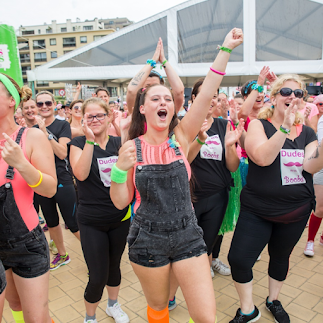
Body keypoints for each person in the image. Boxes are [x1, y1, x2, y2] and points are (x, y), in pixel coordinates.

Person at [110, 28, 243, 323]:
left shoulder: (181, 136)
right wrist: (119, 170)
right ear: (142, 109)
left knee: (206, 317)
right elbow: (121, 202)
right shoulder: (131, 148)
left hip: (187, 234)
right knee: (158, 310)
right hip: (147, 239)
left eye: (167, 100)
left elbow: (207, 90)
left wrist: (226, 48)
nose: (163, 103)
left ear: (173, 108)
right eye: (155, 99)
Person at [228, 74, 323, 323]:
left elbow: (310, 167)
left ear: (302, 100)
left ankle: (273, 299)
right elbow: (262, 158)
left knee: (280, 258)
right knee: (238, 259)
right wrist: (283, 128)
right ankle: (248, 310)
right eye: (286, 92)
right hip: (257, 210)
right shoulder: (260, 125)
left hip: (295, 211)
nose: (292, 97)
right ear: (274, 97)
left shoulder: (308, 132)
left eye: (298, 93)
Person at [168, 77, 244, 309]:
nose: (211, 100)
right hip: (188, 198)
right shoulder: (183, 125)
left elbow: (231, 168)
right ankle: (170, 296)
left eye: (214, 95)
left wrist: (231, 147)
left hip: (217, 197)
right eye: (205, 95)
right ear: (194, 99)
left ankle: (198, 302)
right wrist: (199, 140)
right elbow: (183, 161)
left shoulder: (224, 126)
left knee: (204, 250)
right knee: (181, 251)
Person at [0, 73, 57, 322]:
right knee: (15, 305)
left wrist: (21, 164)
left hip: (26, 244)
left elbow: (50, 189)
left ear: (11, 101)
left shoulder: (31, 137)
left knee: (37, 317)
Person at [69, 97, 130, 323]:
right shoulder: (77, 144)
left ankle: (113, 305)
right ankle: (90, 317)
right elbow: (81, 174)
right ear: (83, 119)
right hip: (91, 221)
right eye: (90, 116)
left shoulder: (119, 143)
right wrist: (89, 141)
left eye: (99, 115)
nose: (95, 120)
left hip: (120, 218)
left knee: (114, 267)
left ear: (109, 116)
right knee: (97, 276)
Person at [34, 90, 80, 270]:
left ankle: (95, 258)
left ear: (54, 104)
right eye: (40, 104)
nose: (44, 107)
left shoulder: (62, 125)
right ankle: (63, 255)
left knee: (73, 224)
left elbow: (62, 152)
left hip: (62, 180)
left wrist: (46, 133)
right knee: (51, 222)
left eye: (47, 103)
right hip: (42, 182)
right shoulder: (32, 130)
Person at [126, 38, 184, 115]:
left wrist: (163, 60)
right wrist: (152, 61)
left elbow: (179, 91)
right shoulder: (138, 112)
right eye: (147, 86)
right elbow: (131, 90)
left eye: (155, 86)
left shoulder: (167, 110)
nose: (151, 89)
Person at [304, 94, 323, 256]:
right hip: (320, 165)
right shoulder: (319, 120)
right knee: (320, 207)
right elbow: (315, 137)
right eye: (321, 104)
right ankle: (310, 241)